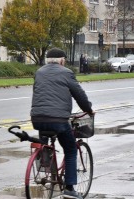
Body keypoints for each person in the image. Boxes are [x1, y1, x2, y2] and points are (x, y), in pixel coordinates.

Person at [30, 48, 94, 199]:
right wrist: (88, 109)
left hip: (37, 118)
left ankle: (44, 164)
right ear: (62, 60)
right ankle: (70, 188)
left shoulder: (39, 72)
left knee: (44, 139)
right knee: (71, 150)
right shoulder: (66, 73)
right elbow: (79, 96)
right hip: (58, 120)